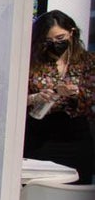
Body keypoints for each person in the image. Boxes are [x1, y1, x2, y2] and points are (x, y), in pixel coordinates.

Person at [23, 10, 94, 184]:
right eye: (49, 41)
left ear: (72, 32)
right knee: (38, 190)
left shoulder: (87, 61)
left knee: (75, 195)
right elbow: (16, 99)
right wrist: (36, 98)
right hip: (39, 136)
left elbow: (90, 99)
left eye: (60, 38)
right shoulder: (31, 62)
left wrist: (76, 93)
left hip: (75, 135)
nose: (55, 44)